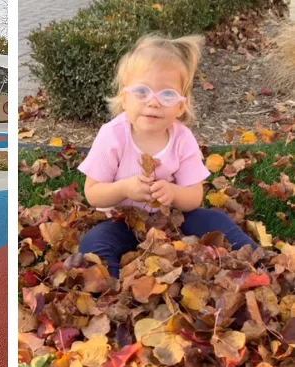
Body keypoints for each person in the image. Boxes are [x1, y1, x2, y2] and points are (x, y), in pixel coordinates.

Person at [77, 34, 258, 278]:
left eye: (167, 95)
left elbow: (194, 196)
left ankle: (259, 262)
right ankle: (114, 291)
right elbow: (93, 192)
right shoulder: (113, 135)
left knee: (215, 221)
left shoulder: (182, 139)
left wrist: (172, 194)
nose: (153, 103)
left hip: (174, 221)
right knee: (94, 244)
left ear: (180, 106)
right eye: (142, 92)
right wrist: (124, 189)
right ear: (124, 97)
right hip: (123, 222)